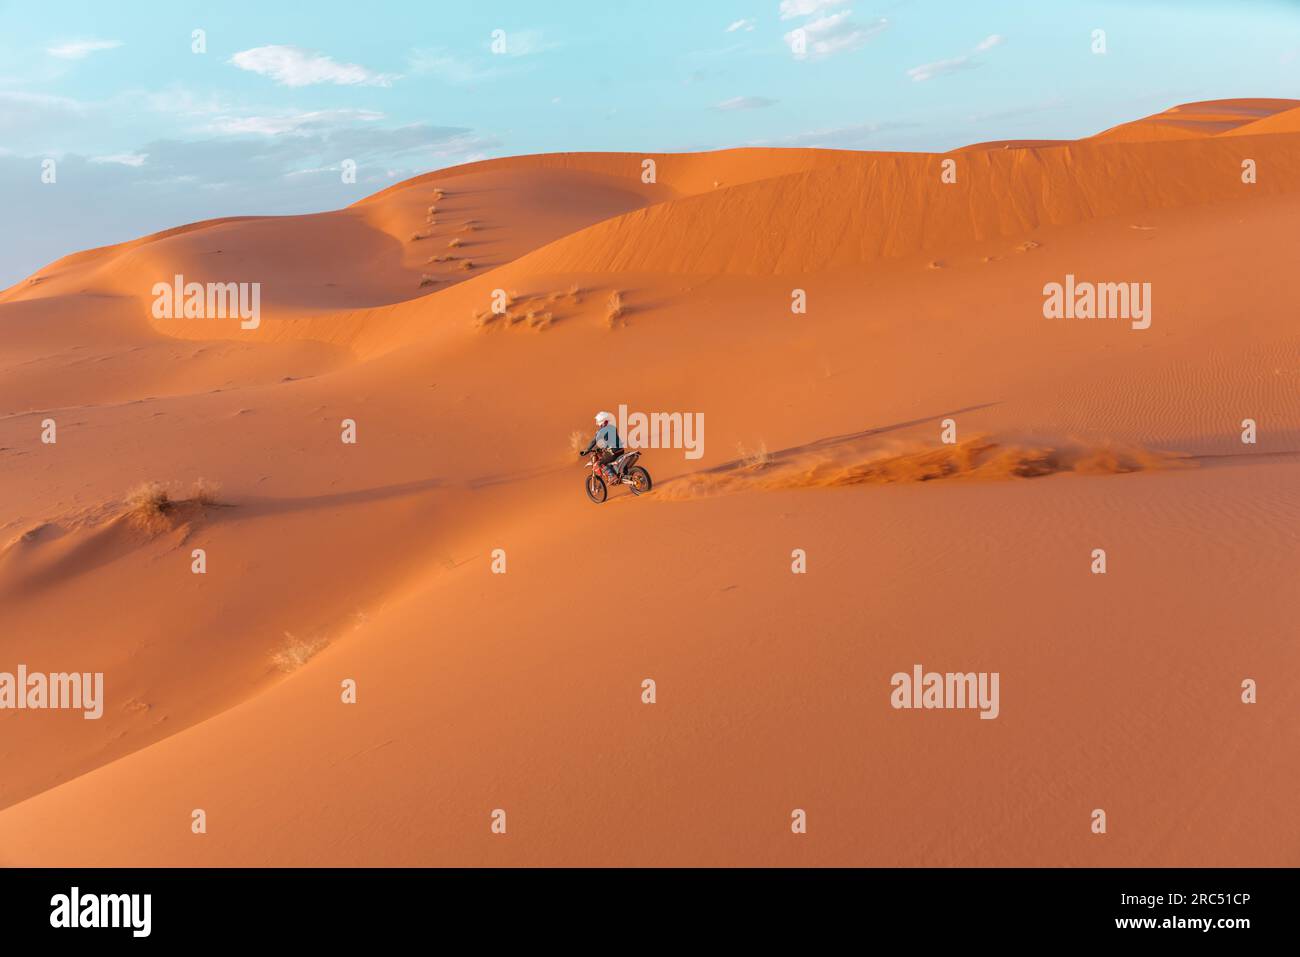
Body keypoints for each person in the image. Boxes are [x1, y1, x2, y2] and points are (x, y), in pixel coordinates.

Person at [579, 410, 624, 477]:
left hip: (613, 452)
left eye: (599, 422)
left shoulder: (601, 431)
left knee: (600, 463)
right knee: (607, 458)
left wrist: (587, 450)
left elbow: (593, 441)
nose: (598, 424)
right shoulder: (613, 427)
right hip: (621, 450)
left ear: (603, 422)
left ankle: (611, 475)